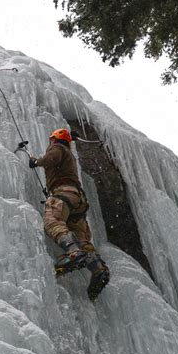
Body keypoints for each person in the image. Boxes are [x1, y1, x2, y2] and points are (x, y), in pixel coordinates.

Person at [28, 128, 110, 300]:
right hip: (77, 200)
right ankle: (98, 268)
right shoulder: (69, 155)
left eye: (51, 140)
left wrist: (36, 162)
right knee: (82, 238)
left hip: (63, 193)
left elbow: (51, 158)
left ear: (55, 138)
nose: (50, 143)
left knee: (52, 220)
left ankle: (73, 252)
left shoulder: (58, 147)